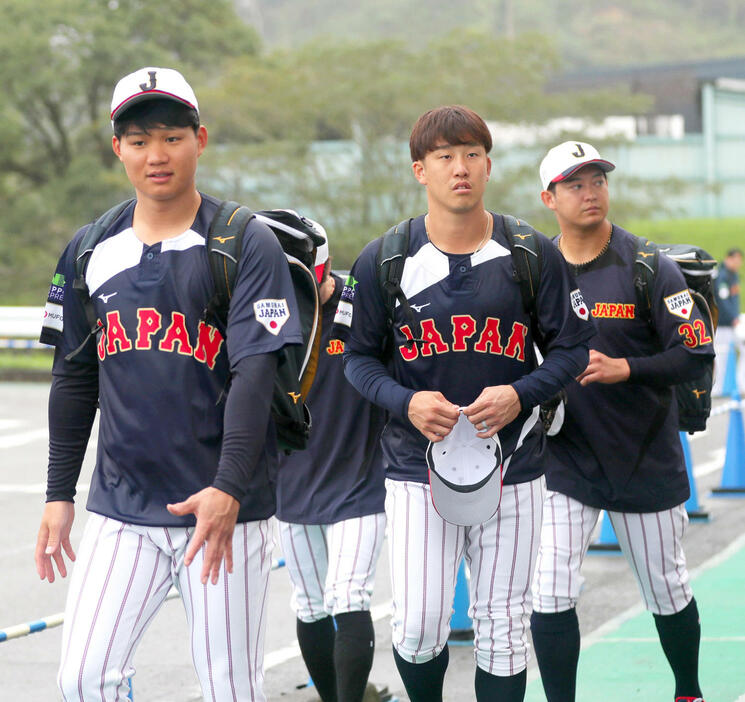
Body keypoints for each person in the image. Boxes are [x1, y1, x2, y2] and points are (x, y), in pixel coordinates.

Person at [34, 66, 301, 701]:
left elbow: (255, 373)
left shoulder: (242, 241)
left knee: (229, 691)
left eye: (172, 136)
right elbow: (74, 377)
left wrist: (229, 487)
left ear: (200, 139)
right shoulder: (90, 247)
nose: (156, 154)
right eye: (139, 140)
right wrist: (56, 493)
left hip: (224, 511)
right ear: (117, 147)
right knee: (83, 680)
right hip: (121, 509)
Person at [333, 105, 594, 702]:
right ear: (419, 170)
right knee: (420, 628)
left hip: (515, 464)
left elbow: (573, 351)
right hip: (414, 469)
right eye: (445, 157)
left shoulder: (530, 253)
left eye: (472, 155)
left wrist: (521, 392)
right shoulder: (385, 259)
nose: (460, 169)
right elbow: (357, 360)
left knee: (502, 628)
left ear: (489, 165)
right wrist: (405, 402)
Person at [532, 140, 714, 702]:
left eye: (598, 181)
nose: (591, 193)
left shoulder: (647, 267)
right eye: (576, 184)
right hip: (565, 460)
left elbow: (695, 352)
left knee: (666, 585)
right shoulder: (533, 269)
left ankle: (688, 690)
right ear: (550, 197)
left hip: (644, 457)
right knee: (550, 589)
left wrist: (626, 368)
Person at [275, 231, 387, 702]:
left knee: (348, 596)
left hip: (360, 478)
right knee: (311, 604)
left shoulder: (362, 305)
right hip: (292, 483)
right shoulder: (268, 313)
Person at [712, 247, 743, 396]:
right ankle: (717, 389)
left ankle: (740, 385)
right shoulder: (722, 276)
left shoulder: (733, 275)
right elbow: (723, 301)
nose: (738, 264)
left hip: (732, 322)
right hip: (723, 324)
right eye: (736, 260)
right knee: (720, 355)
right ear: (728, 258)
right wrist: (733, 318)